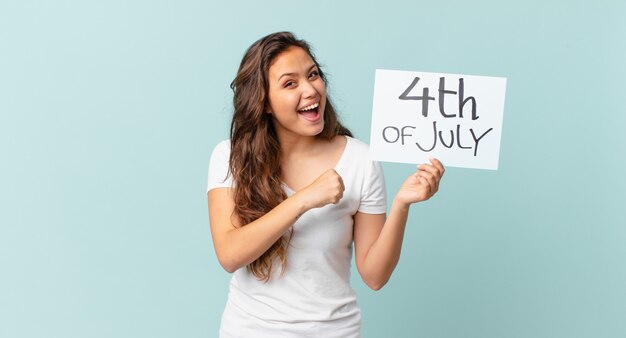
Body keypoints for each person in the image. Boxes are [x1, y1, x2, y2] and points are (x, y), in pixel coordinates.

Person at [206, 31, 445, 338]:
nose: (311, 90)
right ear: (264, 102)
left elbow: (375, 275)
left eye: (313, 75)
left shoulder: (360, 159)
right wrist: (304, 199)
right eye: (290, 83)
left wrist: (402, 204)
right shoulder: (230, 156)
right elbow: (230, 254)